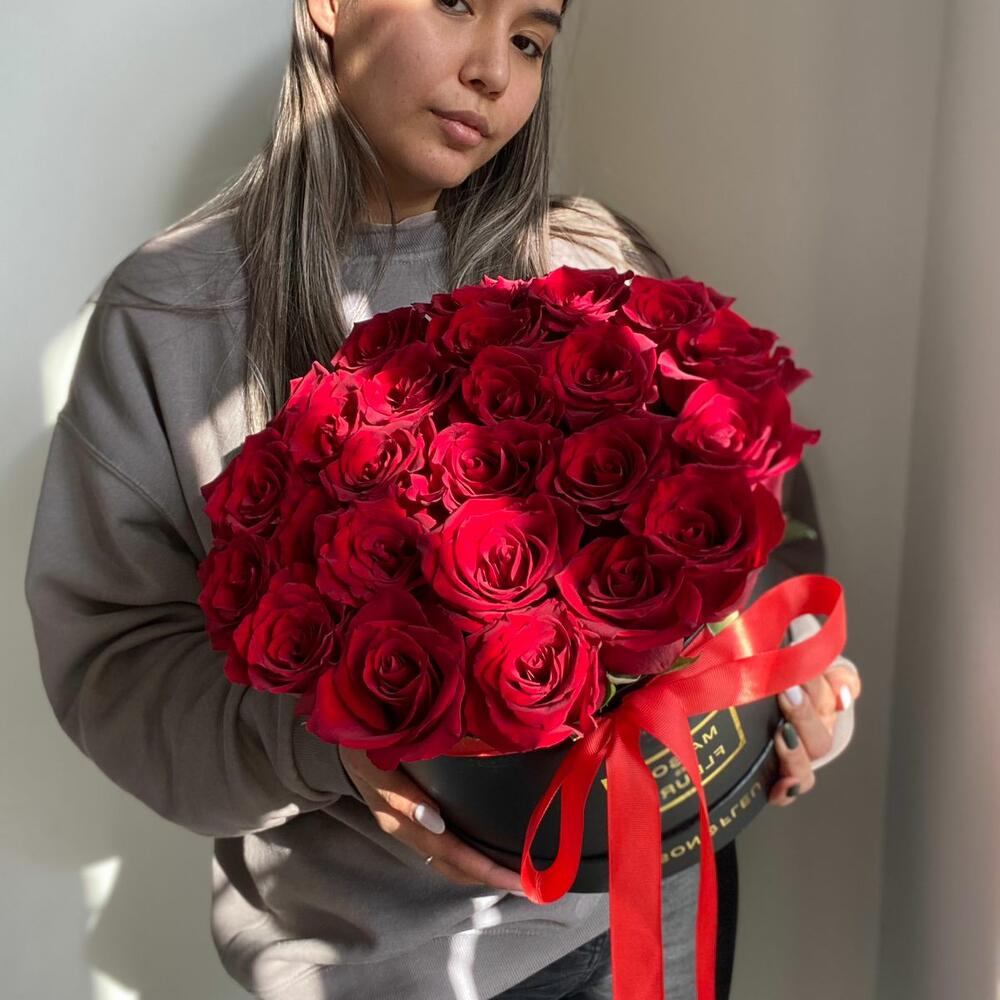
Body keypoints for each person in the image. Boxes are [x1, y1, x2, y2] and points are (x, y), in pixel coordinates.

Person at [23, 1, 860, 998]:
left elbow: (750, 539)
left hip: (659, 910)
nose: (492, 72)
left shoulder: (590, 261)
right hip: (394, 970)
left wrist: (789, 688)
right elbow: (117, 668)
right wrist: (333, 745)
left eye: (529, 41)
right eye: (457, 3)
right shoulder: (171, 316)